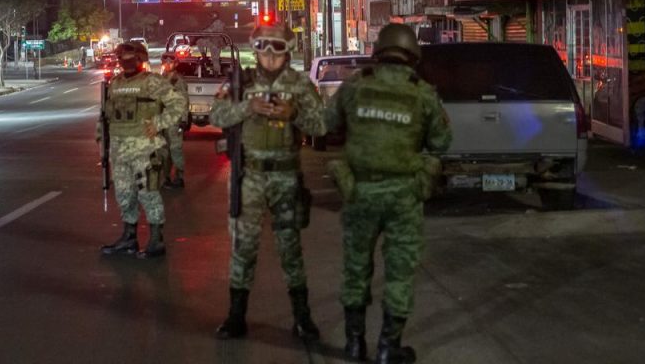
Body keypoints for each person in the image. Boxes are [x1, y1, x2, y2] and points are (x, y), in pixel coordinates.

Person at [324, 23, 452, 364]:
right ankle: (387, 348)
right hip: (403, 196)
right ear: (413, 55)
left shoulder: (355, 85)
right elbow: (441, 143)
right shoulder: (422, 93)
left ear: (378, 52)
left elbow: (327, 122)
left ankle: (353, 344)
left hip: (359, 191)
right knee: (399, 271)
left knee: (355, 267)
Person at [210, 22, 326, 341]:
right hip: (249, 176)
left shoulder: (301, 84)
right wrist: (248, 107)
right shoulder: (241, 83)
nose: (269, 56)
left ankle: (302, 319)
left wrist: (293, 114)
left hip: (285, 177)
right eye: (263, 48)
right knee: (243, 248)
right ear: (255, 50)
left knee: (290, 249)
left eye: (277, 49)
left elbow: (320, 127)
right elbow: (216, 117)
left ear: (287, 52)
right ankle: (236, 317)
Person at [97, 42, 186, 259]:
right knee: (124, 195)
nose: (125, 62)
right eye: (122, 58)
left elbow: (179, 104)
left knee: (148, 193)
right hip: (119, 149)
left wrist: (159, 123)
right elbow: (106, 115)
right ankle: (129, 238)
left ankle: (156, 240)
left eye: (130, 57)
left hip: (144, 150)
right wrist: (102, 141)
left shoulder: (152, 82)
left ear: (140, 59)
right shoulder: (115, 84)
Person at [160, 52, 189, 189]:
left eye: (170, 62)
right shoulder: (162, 78)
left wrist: (184, 119)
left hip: (175, 120)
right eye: (165, 62)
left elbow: (184, 100)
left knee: (175, 149)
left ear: (175, 63)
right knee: (164, 151)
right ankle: (165, 177)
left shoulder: (178, 80)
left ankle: (179, 177)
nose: (167, 64)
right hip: (163, 120)